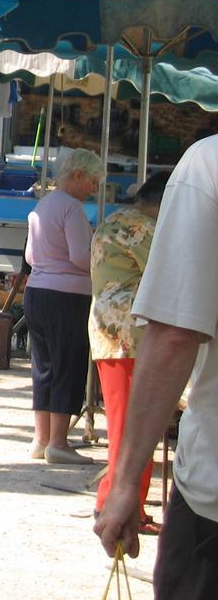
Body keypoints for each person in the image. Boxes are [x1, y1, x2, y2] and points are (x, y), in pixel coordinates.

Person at [95, 139, 218, 596]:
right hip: (125, 333)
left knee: (123, 411)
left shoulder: (207, 166)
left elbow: (174, 330)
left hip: (213, 499)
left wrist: (124, 484)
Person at [88, 172, 170, 534]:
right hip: (126, 337)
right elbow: (171, 271)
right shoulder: (143, 227)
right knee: (130, 428)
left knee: (129, 426)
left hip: (116, 334)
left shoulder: (118, 218)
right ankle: (117, 507)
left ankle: (126, 505)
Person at [23, 147, 103, 465]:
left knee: (43, 366)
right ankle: (59, 442)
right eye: (93, 182)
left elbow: (29, 257)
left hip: (38, 292)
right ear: (79, 175)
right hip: (67, 296)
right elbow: (80, 257)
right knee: (68, 365)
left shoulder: (43, 205)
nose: (95, 189)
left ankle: (41, 438)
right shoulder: (72, 209)